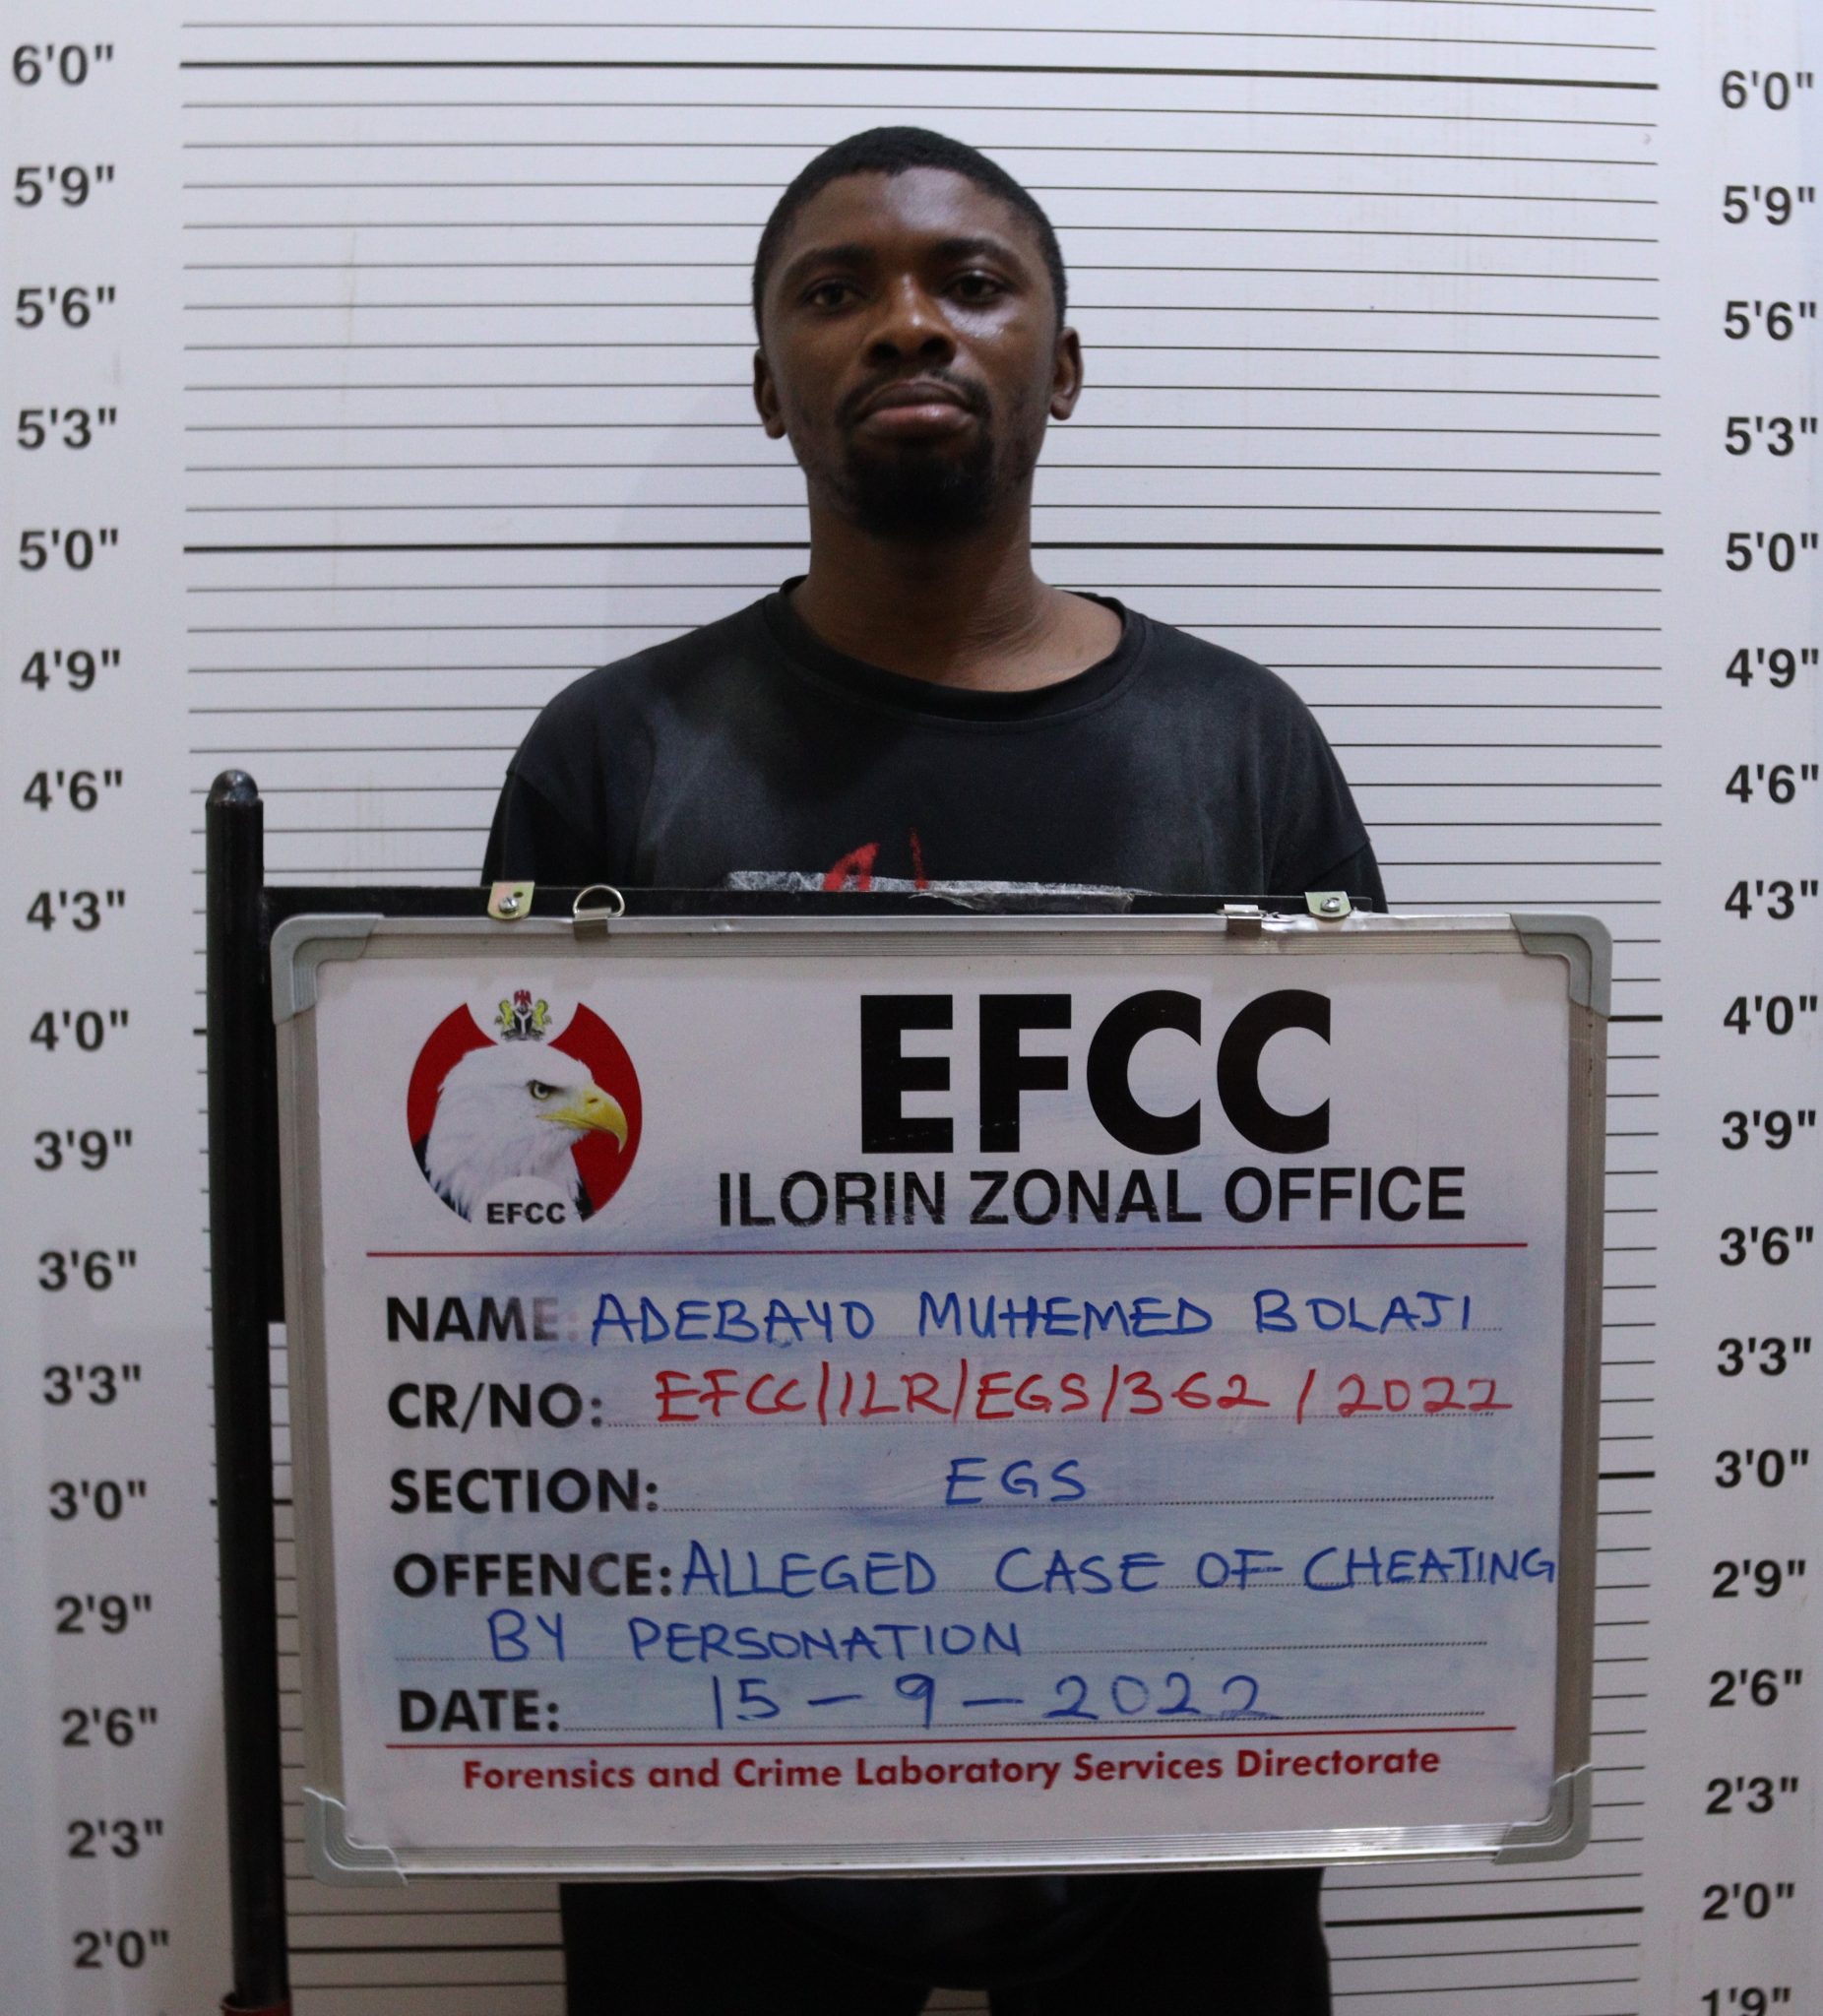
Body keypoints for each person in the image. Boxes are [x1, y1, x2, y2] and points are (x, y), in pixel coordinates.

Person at [486, 125, 1379, 2016]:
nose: (909, 325)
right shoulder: (613, 755)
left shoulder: (1241, 747)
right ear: (769, 386)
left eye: (971, 284)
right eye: (838, 293)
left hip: (1173, 1726)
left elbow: (1368, 1248)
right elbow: (508, 1261)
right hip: (717, 1744)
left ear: (1063, 365)